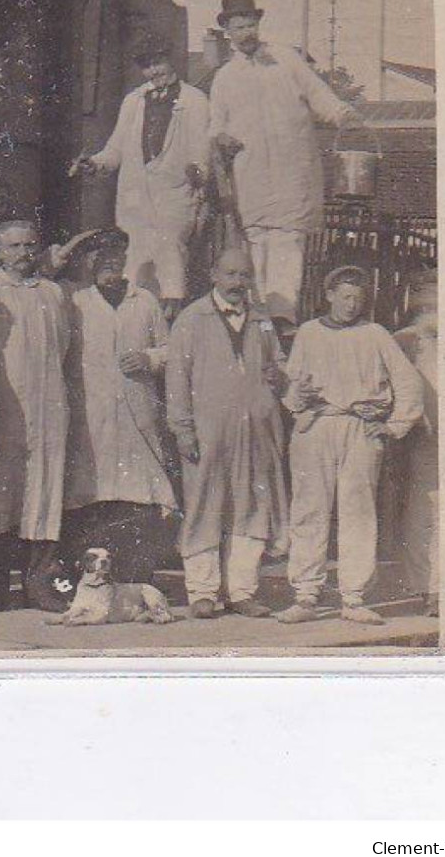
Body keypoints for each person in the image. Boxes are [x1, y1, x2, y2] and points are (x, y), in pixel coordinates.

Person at [207, 0, 364, 330]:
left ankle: (283, 320)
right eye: (238, 28)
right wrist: (222, 138)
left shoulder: (286, 60)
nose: (245, 33)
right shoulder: (224, 78)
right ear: (228, 33)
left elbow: (319, 94)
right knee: (255, 248)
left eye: (250, 25)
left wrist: (342, 114)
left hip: (292, 174)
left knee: (288, 245)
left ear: (258, 24)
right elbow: (215, 127)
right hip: (252, 178)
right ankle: (256, 321)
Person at [276, 266, 424, 625]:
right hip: (316, 427)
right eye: (344, 296)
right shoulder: (309, 333)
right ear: (329, 295)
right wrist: (297, 397)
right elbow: (291, 385)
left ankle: (354, 598)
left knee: (358, 512)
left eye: (357, 298)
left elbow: (409, 381)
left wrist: (394, 425)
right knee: (310, 509)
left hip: (360, 429)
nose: (350, 304)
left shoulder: (375, 334)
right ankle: (306, 595)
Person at [166, 247, 289, 619]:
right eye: (231, 274)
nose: (238, 283)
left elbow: (279, 365)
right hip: (208, 430)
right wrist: (183, 428)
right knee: (205, 505)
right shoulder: (192, 319)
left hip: (255, 432)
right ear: (214, 275)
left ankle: (242, 591)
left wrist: (277, 377)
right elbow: (176, 378)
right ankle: (202, 591)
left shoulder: (262, 320)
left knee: (251, 506)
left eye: (244, 275)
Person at [51, 230, 178, 586]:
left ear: (125, 259)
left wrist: (148, 358)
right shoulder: (74, 302)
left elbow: (170, 351)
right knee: (91, 497)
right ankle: (87, 580)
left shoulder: (146, 301)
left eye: (116, 255)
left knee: (138, 498)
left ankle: (135, 579)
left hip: (137, 415)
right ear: (89, 261)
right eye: (100, 256)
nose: (109, 262)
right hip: (90, 417)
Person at [0, 220, 73, 613]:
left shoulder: (53, 293)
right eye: (14, 246)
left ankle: (40, 585)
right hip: (3, 412)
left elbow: (63, 346)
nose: (23, 253)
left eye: (29, 245)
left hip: (48, 409)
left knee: (44, 494)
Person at [70, 46, 211, 317]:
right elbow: (115, 150)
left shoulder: (195, 101)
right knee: (134, 263)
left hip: (174, 196)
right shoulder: (134, 101)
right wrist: (94, 163)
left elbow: (200, 151)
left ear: (172, 60)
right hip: (135, 199)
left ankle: (171, 319)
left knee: (170, 255)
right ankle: (133, 325)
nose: (154, 71)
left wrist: (197, 171)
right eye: (147, 65)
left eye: (159, 62)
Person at [393, 270, 441, 617]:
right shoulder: (405, 340)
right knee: (423, 509)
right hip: (423, 434)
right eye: (427, 295)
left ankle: (443, 586)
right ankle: (426, 586)